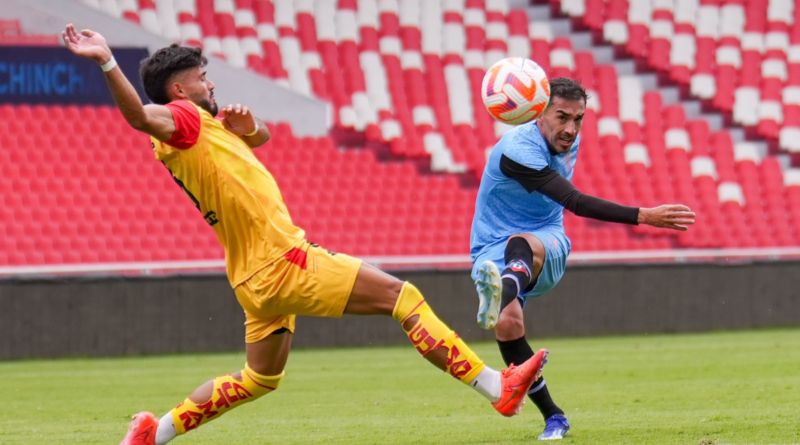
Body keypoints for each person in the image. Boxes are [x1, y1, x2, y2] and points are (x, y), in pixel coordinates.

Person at [61, 24, 551, 445]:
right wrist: (107, 60)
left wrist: (250, 129)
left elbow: (259, 138)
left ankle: (156, 431)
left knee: (259, 377)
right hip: (282, 259)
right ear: (181, 91)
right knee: (402, 298)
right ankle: (496, 386)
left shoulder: (200, 132)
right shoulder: (184, 118)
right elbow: (141, 116)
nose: (210, 84)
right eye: (201, 78)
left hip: (251, 277)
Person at [470, 77, 696, 440]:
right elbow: (575, 200)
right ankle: (554, 417)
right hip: (489, 248)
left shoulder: (561, 136)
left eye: (579, 119)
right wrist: (643, 215)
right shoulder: (517, 150)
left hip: (547, 239)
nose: (571, 129)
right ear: (538, 113)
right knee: (508, 326)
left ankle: (502, 289)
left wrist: (643, 216)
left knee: (521, 243)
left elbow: (566, 208)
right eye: (562, 117)